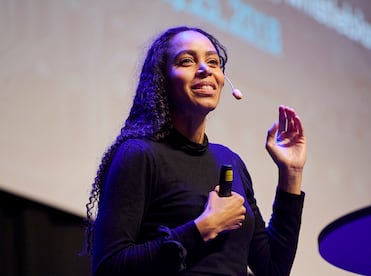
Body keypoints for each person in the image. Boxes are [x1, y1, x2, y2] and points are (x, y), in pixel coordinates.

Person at [84, 26, 306, 275]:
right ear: (162, 79)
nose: (205, 69)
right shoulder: (139, 154)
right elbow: (109, 267)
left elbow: (273, 269)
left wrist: (291, 173)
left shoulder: (229, 160)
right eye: (187, 61)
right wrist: (204, 228)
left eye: (213, 62)